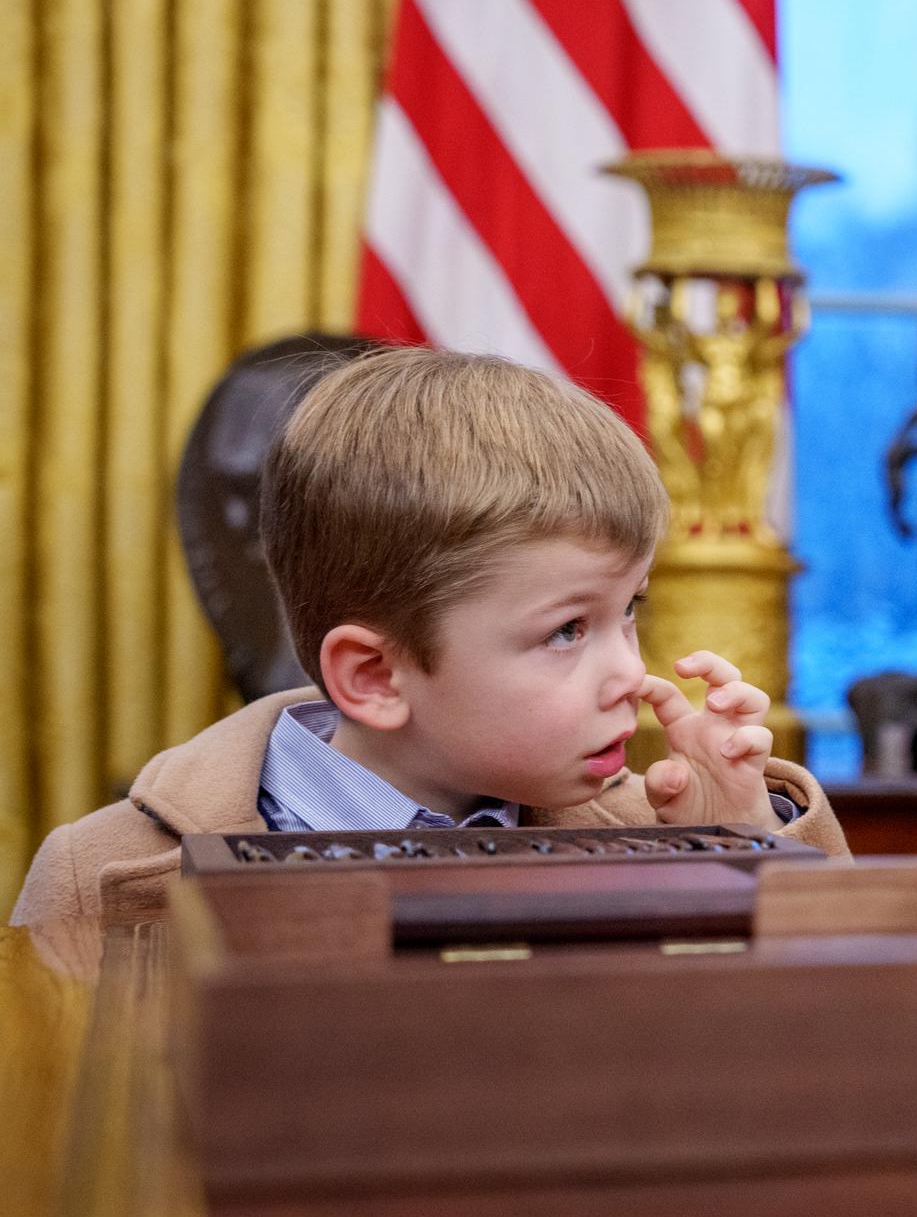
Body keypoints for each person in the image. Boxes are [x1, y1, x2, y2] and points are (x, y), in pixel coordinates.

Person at [10, 347, 848, 976]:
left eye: (629, 612)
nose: (632, 672)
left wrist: (738, 850)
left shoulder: (647, 830)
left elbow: (845, 1047)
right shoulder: (97, 874)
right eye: (567, 631)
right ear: (375, 677)